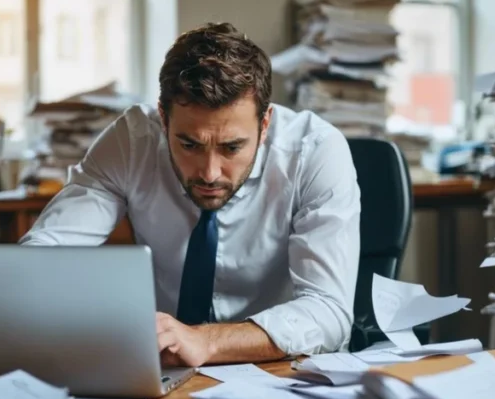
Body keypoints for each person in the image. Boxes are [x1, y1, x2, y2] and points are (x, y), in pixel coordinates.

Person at [19, 22, 361, 368]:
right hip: (165, 369)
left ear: (265, 124)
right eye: (189, 144)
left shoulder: (315, 152)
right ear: (163, 120)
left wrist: (206, 342)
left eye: (232, 147)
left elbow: (328, 311)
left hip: (282, 371)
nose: (210, 173)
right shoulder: (132, 141)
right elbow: (41, 261)